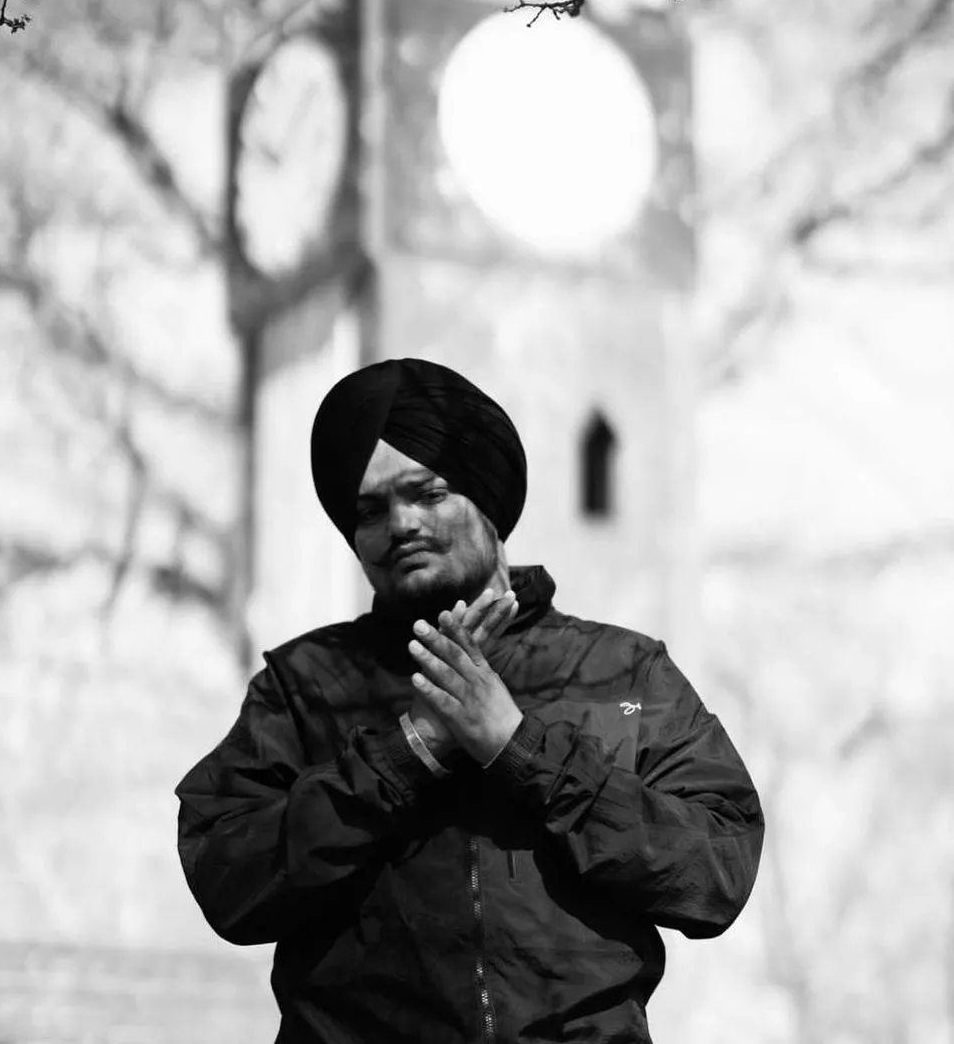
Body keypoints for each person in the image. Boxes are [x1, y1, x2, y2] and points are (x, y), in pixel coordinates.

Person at [175, 357, 764, 1044]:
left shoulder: (621, 672)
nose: (401, 524)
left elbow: (717, 871)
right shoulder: (307, 685)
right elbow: (228, 879)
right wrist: (410, 749)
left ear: (487, 496)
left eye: (427, 493)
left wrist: (522, 750)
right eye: (369, 510)